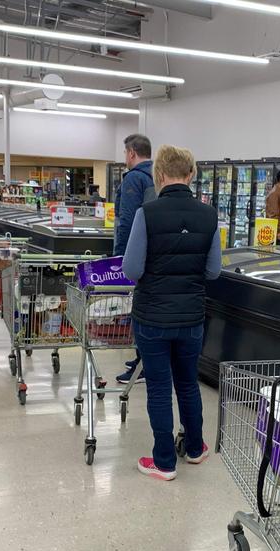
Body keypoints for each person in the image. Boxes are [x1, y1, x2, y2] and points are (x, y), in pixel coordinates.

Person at [121, 145, 221, 480]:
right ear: (191, 174)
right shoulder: (209, 215)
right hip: (192, 317)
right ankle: (195, 448)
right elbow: (213, 272)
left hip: (152, 317)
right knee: (188, 384)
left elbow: (132, 269)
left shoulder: (146, 214)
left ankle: (164, 462)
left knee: (159, 388)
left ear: (159, 174)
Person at [114, 133, 155, 385]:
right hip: (155, 255)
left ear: (131, 153)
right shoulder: (158, 177)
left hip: (136, 256)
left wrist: (120, 257)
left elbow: (127, 220)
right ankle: (142, 357)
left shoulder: (135, 179)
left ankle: (143, 362)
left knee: (138, 309)